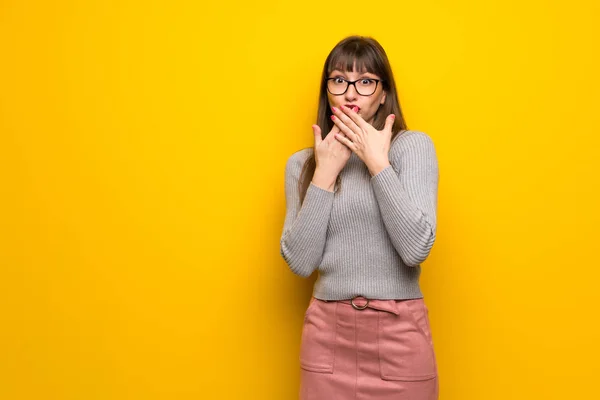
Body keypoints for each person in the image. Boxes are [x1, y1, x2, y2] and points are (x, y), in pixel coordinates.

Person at [279, 35, 440, 400]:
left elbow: (416, 248)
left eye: (365, 82)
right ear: (328, 92)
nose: (351, 93)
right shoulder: (302, 165)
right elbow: (301, 263)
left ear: (383, 94)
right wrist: (325, 173)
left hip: (398, 335)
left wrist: (376, 161)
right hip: (327, 338)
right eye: (339, 80)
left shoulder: (412, 148)